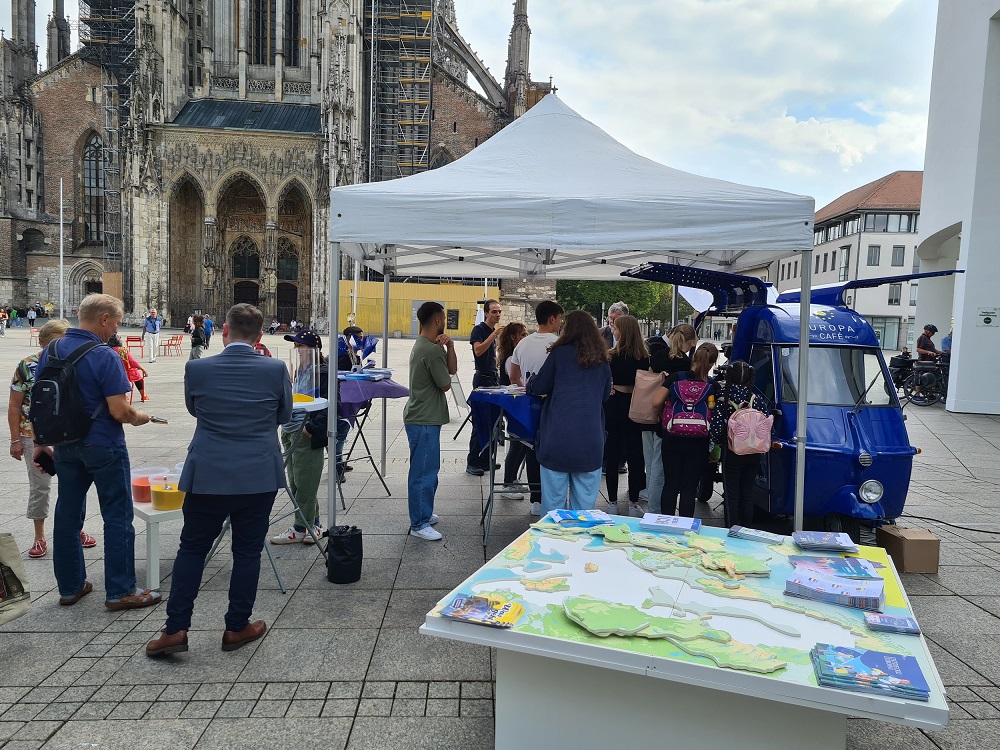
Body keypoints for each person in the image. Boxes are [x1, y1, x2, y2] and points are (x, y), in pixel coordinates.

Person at [145, 304, 292, 657]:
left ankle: (175, 629)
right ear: (260, 337)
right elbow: (284, 415)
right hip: (257, 474)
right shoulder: (275, 368)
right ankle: (237, 627)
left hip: (207, 472)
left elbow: (194, 409)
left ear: (223, 331)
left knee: (192, 549)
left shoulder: (197, 367)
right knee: (246, 551)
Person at [33, 293, 158, 610]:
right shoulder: (105, 355)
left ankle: (70, 586)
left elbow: (42, 399)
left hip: (64, 444)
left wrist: (39, 443)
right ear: (104, 318)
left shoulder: (51, 350)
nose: (116, 329)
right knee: (117, 516)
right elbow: (120, 411)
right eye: (116, 322)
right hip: (103, 444)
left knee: (67, 515)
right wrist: (140, 417)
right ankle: (120, 591)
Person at [9, 319, 97, 559]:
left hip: (69, 436)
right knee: (40, 487)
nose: (60, 348)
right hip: (32, 436)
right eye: (54, 343)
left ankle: (76, 529)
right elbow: (15, 406)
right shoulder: (27, 365)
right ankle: (39, 536)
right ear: (42, 342)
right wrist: (15, 440)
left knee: (74, 486)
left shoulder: (74, 364)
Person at [527, 310, 612, 515]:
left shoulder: (559, 353)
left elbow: (539, 387)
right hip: (590, 440)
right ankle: (580, 544)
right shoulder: (602, 360)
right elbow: (604, 397)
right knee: (584, 509)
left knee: (553, 507)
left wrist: (531, 381)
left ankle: (552, 544)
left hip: (558, 438)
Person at [403, 301, 458, 541]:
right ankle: (419, 522)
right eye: (443, 318)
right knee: (423, 473)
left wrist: (451, 347)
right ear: (438, 321)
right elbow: (446, 383)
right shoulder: (432, 350)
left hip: (421, 416)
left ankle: (423, 513)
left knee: (427, 469)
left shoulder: (422, 344)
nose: (444, 322)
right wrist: (444, 350)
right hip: (424, 418)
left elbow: (452, 370)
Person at [271, 329, 331, 544]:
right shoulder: (300, 371)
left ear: (313, 349)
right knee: (297, 482)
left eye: (301, 347)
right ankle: (313, 524)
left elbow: (334, 405)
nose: (297, 350)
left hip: (305, 432)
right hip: (290, 429)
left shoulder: (322, 372)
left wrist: (312, 428)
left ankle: (299, 528)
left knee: (306, 482)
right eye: (296, 347)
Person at [653, 342, 719, 519]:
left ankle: (666, 523)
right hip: (699, 441)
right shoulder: (713, 386)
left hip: (672, 437)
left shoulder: (676, 378)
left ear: (694, 358)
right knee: (689, 486)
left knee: (671, 484)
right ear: (712, 363)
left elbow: (655, 402)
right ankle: (684, 527)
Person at [642, 324, 699, 512]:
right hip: (667, 420)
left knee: (650, 466)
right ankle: (655, 511)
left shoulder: (657, 356)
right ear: (689, 342)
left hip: (645, 416)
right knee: (660, 470)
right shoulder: (684, 364)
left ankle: (652, 506)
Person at [604, 315, 649, 517]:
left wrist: (611, 388)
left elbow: (606, 381)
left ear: (622, 331)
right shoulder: (644, 356)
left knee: (612, 454)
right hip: (636, 404)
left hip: (615, 404)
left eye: (615, 328)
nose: (613, 331)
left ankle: (612, 502)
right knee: (636, 456)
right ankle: (633, 502)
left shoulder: (611, 356)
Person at [709, 361, 760, 527]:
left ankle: (732, 528)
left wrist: (718, 443)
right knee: (747, 493)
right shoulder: (755, 398)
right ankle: (747, 527)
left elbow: (716, 429)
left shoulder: (724, 398)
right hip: (753, 451)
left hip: (732, 452)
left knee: (732, 493)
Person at [467, 300, 504, 476]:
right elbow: (478, 351)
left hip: (492, 379)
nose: (497, 314)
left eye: (499, 312)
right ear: (487, 313)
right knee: (480, 422)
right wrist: (493, 335)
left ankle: (485, 460)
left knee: (492, 423)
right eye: (494, 312)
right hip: (482, 379)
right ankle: (473, 462)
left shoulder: (491, 332)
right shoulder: (480, 330)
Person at [497, 322, 530, 502]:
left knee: (523, 444)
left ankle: (513, 479)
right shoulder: (511, 357)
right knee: (517, 444)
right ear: (513, 337)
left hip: (517, 405)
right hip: (514, 405)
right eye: (523, 335)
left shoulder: (514, 355)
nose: (525, 338)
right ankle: (507, 482)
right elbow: (515, 381)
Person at [509, 300, 563, 387]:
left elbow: (513, 378)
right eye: (560, 318)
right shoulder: (560, 343)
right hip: (551, 398)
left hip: (529, 397)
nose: (561, 321)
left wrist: (527, 390)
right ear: (552, 319)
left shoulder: (521, 344)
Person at [108, 335, 150, 402]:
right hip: (126, 374)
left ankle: (124, 396)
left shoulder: (107, 350)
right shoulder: (123, 350)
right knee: (138, 378)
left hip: (112, 374)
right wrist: (142, 369)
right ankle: (143, 395)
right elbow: (132, 362)